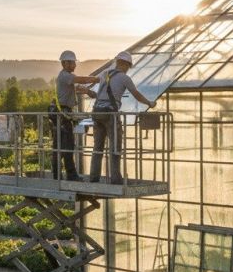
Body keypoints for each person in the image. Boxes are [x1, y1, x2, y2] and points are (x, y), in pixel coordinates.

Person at [89, 51, 156, 184]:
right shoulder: (124, 78)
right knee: (115, 147)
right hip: (110, 113)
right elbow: (136, 94)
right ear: (125, 64)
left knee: (97, 147)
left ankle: (93, 177)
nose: (127, 69)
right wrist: (149, 103)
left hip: (97, 112)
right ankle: (115, 178)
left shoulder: (105, 73)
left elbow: (98, 92)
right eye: (128, 66)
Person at [50, 50, 98, 181]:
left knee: (60, 146)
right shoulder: (65, 75)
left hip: (62, 113)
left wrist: (88, 91)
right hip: (62, 114)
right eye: (72, 63)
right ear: (65, 63)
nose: (74, 65)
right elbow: (80, 79)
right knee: (67, 145)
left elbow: (76, 87)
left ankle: (57, 175)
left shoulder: (65, 77)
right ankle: (70, 175)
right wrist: (97, 79)